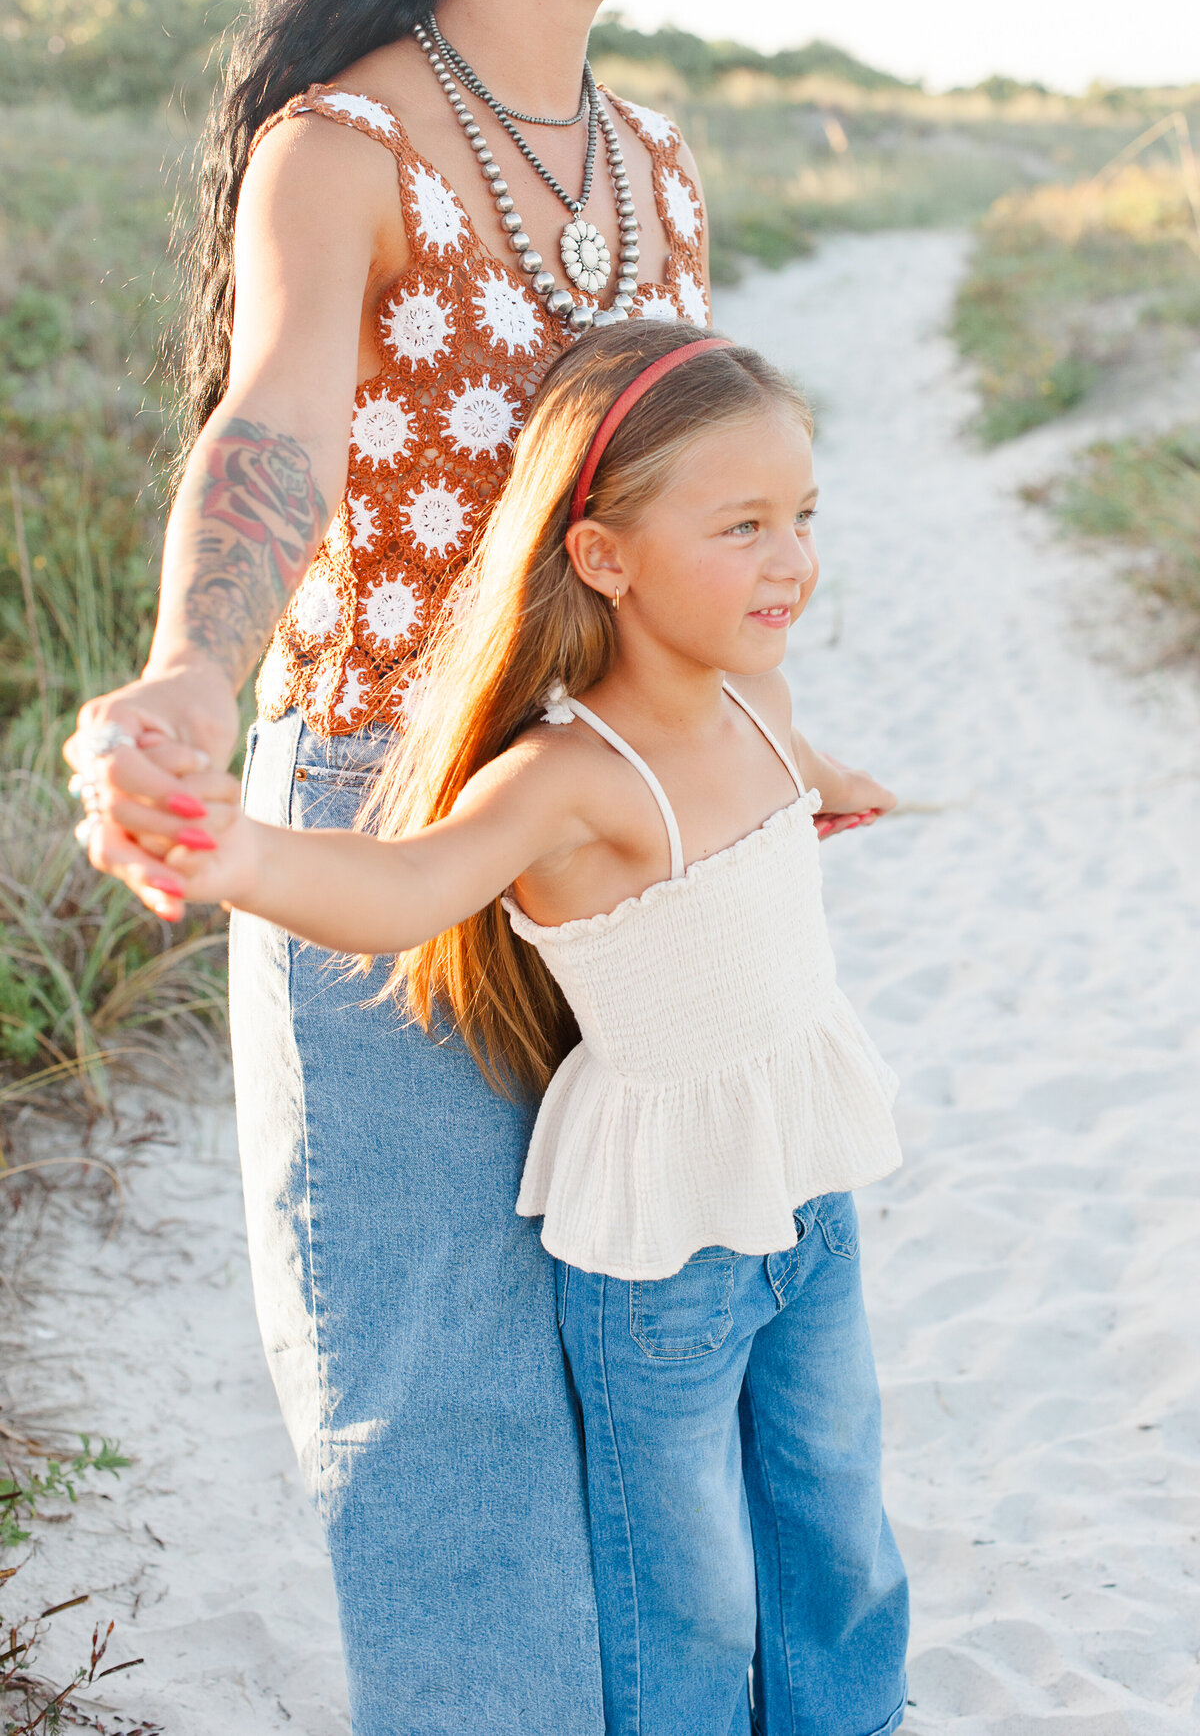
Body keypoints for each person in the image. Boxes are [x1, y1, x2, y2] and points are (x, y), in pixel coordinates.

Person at [64, 0, 726, 1727]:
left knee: (656, 1382)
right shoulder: (343, 145)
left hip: (620, 821)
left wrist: (752, 763)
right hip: (388, 810)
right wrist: (196, 670)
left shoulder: (655, 167)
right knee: (443, 1406)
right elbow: (271, 422)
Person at [131, 320, 911, 1736]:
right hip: (664, 1245)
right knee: (690, 1580)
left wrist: (830, 780)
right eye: (742, 525)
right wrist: (235, 855)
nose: (791, 557)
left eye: (803, 515)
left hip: (806, 1183)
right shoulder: (570, 776)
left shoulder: (758, 694)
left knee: (838, 1519)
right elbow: (402, 887)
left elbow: (785, 764)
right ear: (606, 556)